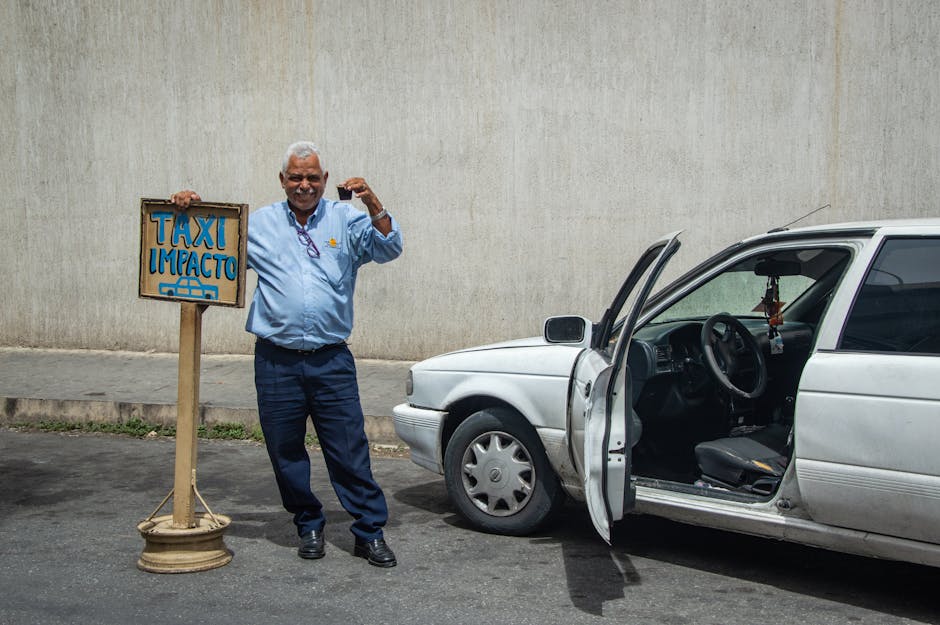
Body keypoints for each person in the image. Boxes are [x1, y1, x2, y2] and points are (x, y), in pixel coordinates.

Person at [171, 141, 402, 567]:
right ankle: (308, 522)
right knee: (285, 449)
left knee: (349, 450)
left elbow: (389, 248)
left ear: (325, 180)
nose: (304, 185)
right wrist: (191, 212)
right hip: (276, 361)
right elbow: (210, 257)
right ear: (282, 180)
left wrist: (372, 201)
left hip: (331, 360)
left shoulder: (345, 219)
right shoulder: (258, 224)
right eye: (295, 177)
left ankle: (369, 531)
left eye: (312, 177)